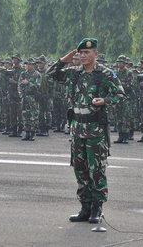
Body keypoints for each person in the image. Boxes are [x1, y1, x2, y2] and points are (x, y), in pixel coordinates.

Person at [47, 38, 125, 224]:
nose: (83, 56)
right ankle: (85, 207)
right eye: (80, 53)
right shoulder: (74, 73)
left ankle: (97, 208)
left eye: (87, 53)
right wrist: (65, 59)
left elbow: (120, 95)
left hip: (95, 130)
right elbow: (50, 75)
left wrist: (105, 101)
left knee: (96, 169)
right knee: (80, 169)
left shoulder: (105, 74)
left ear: (95, 54)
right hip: (77, 129)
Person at [19, 58, 41, 141]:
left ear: (33, 65)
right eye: (27, 64)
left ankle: (32, 133)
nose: (28, 66)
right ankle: (27, 133)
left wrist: (28, 83)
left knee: (33, 115)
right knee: (25, 115)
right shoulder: (23, 74)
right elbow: (19, 85)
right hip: (24, 97)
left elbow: (37, 86)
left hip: (33, 98)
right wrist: (20, 94)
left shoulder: (37, 74)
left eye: (30, 64)